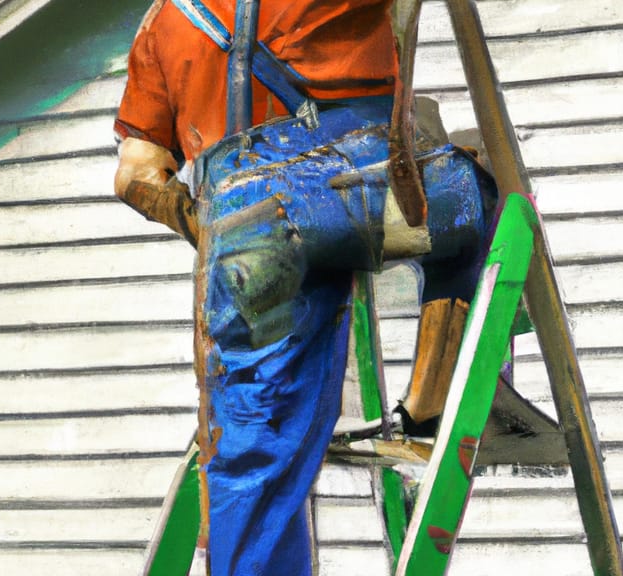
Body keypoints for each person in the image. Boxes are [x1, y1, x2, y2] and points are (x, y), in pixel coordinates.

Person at [114, 1, 491, 573]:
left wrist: (224, 230)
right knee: (479, 194)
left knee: (254, 450)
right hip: (358, 188)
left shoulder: (163, 19)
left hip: (239, 220)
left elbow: (135, 173)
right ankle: (430, 403)